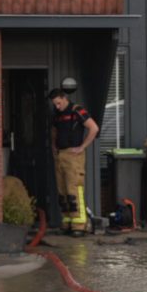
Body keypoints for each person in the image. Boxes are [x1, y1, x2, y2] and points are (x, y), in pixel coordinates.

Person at [49, 87, 99, 237]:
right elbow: (54, 131)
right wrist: (54, 147)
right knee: (62, 192)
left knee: (74, 190)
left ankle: (79, 225)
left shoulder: (77, 111)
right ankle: (67, 223)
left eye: (59, 103)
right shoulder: (57, 115)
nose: (57, 106)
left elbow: (94, 128)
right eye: (55, 104)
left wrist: (82, 147)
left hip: (73, 156)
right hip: (60, 155)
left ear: (65, 98)